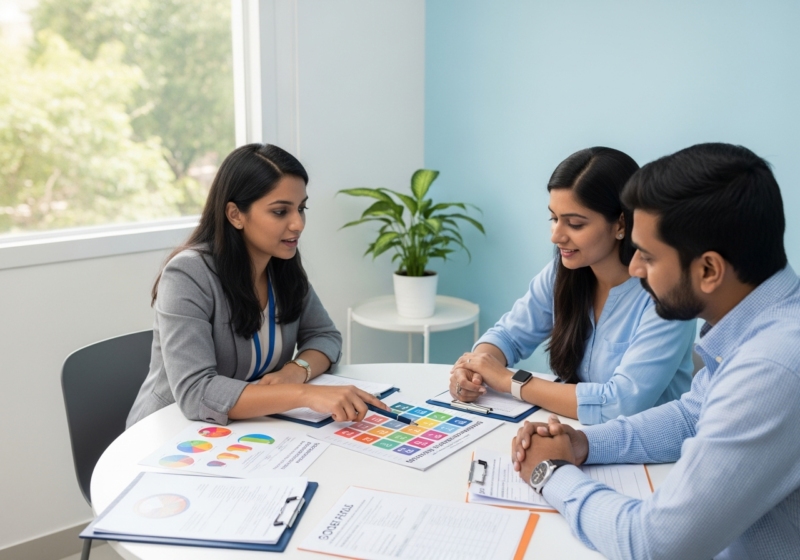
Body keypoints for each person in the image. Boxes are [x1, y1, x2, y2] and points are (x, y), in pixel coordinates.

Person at [512, 143, 800, 559]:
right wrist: (582, 444)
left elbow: (653, 544)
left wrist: (549, 473)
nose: (634, 269)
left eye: (646, 256)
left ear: (708, 270)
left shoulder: (771, 367)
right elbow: (691, 416)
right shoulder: (758, 325)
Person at [127, 143, 388, 428]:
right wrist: (303, 394)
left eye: (301, 208)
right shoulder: (188, 274)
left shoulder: (282, 265)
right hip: (171, 431)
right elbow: (196, 392)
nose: (298, 224)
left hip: (246, 429)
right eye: (280, 211)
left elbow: (324, 336)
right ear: (235, 214)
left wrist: (295, 371)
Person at [450, 147, 695, 424]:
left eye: (575, 224)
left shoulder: (667, 294)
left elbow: (619, 404)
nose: (556, 236)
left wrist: (510, 381)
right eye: (554, 219)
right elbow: (509, 336)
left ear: (621, 224)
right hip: (576, 434)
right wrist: (474, 368)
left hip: (648, 445)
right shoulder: (564, 272)